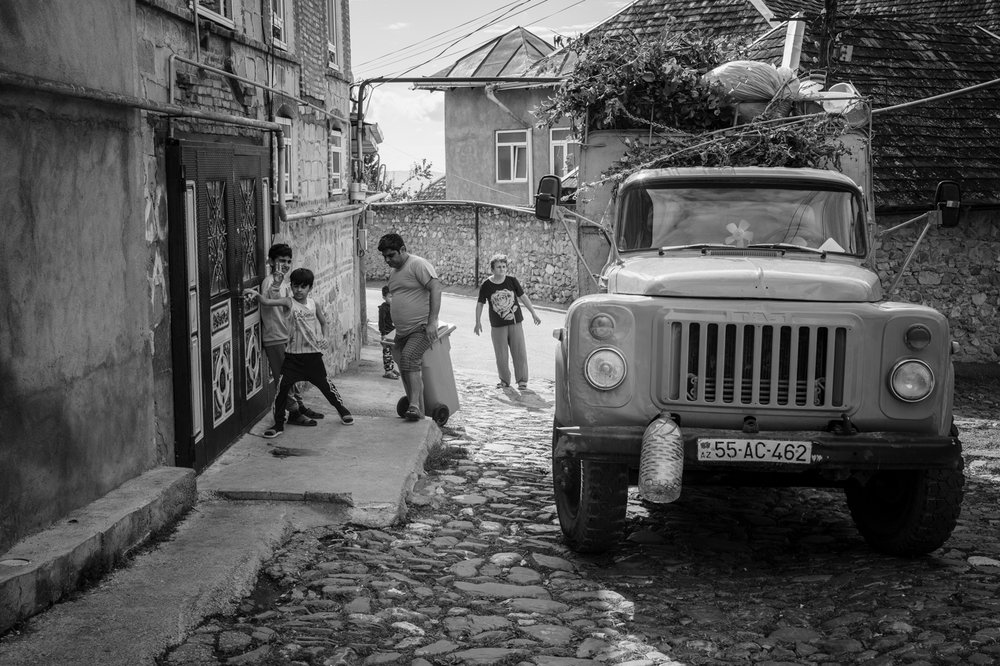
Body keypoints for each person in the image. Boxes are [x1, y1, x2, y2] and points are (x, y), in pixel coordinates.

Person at [245, 268, 353, 438]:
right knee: (282, 390)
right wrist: (256, 295)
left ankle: (342, 410)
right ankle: (278, 424)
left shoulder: (313, 303)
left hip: (312, 356)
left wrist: (324, 338)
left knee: (326, 387)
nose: (299, 290)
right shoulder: (288, 302)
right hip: (293, 357)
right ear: (291, 286)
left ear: (310, 287)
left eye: (303, 287)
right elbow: (267, 302)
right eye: (296, 286)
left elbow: (324, 323)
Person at [376, 233, 442, 421]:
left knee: (410, 358)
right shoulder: (394, 272)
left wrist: (432, 322)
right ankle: (418, 409)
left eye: (391, 255)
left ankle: (413, 406)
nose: (388, 260)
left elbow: (436, 288)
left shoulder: (417, 264)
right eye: (385, 257)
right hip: (402, 332)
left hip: (420, 327)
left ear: (403, 250)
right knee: (404, 365)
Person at [259, 243, 323, 426]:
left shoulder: (283, 283)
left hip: (286, 336)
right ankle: (294, 412)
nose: (285, 264)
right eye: (281, 261)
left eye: (288, 261)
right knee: (283, 379)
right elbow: (272, 303)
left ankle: (299, 406)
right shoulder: (271, 283)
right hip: (275, 337)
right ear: (271, 261)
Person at [474, 253, 542, 390]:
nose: (502, 269)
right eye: (498, 267)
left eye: (504, 266)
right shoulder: (486, 285)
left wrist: (533, 313)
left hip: (515, 323)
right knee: (501, 354)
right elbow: (480, 304)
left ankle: (522, 381)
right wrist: (478, 321)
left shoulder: (512, 281)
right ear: (492, 269)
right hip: (498, 326)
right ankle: (504, 380)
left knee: (519, 352)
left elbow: (523, 297)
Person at [377, 285, 399, 379]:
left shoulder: (394, 306)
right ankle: (388, 371)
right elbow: (381, 321)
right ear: (384, 297)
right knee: (387, 352)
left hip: (393, 333)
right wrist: (383, 334)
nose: (392, 299)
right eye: (390, 297)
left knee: (392, 352)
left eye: (393, 296)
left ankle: (391, 368)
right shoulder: (383, 308)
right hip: (387, 333)